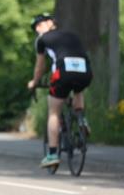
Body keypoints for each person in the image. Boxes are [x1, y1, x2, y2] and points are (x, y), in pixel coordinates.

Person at [26, 13, 92, 168]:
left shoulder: (41, 40)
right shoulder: (72, 35)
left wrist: (34, 82)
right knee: (78, 89)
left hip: (63, 72)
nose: (37, 29)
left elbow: (40, 66)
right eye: (35, 27)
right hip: (86, 71)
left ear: (50, 23)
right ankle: (81, 119)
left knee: (54, 112)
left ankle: (52, 154)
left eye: (39, 24)